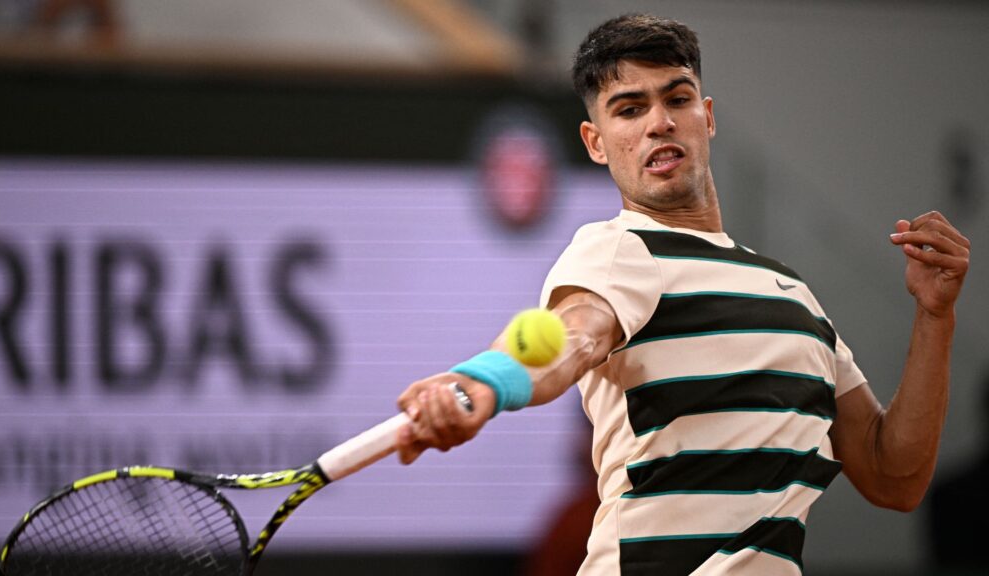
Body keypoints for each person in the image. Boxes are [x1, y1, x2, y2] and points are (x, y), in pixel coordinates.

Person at [395, 13, 970, 576]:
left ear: (707, 116)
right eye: (630, 109)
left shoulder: (795, 298)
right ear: (596, 143)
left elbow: (894, 477)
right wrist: (480, 385)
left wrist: (934, 313)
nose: (659, 123)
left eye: (677, 98)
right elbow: (571, 336)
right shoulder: (621, 252)